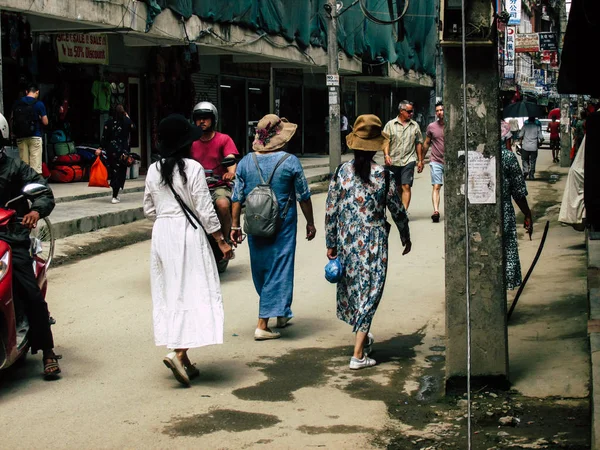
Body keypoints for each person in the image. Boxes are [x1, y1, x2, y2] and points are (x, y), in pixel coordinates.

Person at [143, 114, 233, 387]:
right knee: (195, 289)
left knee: (172, 292)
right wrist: (221, 240)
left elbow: (148, 210)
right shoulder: (193, 168)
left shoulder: (152, 170)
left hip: (162, 234)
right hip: (187, 233)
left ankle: (184, 359)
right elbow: (205, 208)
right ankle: (179, 352)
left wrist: (166, 215)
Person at [325, 114, 411, 370]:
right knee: (371, 291)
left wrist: (331, 242)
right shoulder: (383, 176)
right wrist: (405, 236)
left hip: (347, 240)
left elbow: (331, 210)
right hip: (373, 240)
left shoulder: (342, 172)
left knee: (355, 290)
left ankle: (363, 336)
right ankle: (358, 355)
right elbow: (397, 210)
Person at [230, 114, 316, 341]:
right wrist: (310, 222)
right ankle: (262, 323)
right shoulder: (290, 161)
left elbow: (237, 197)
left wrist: (234, 225)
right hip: (283, 225)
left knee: (261, 268)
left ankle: (281, 312)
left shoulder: (246, 162)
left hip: (255, 223)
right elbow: (303, 196)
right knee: (280, 269)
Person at [0, 112, 60, 379]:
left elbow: (44, 191)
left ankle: (47, 349)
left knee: (29, 292)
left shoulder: (15, 168)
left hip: (10, 237)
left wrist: (36, 210)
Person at [191, 102, 239, 240]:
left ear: (213, 119)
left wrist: (230, 172)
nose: (202, 121)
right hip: (196, 187)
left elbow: (230, 158)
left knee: (223, 205)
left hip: (219, 185)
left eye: (206, 118)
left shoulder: (224, 139)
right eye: (199, 118)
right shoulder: (190, 142)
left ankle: (227, 239)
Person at [383, 100, 424, 211]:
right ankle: (400, 208)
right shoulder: (390, 125)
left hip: (409, 160)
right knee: (397, 187)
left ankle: (404, 212)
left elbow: (418, 142)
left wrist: (420, 160)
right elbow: (385, 141)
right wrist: (386, 155)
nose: (411, 114)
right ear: (401, 111)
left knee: (406, 186)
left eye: (412, 111)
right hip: (393, 161)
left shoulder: (415, 126)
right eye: (409, 111)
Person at [501, 146, 533, 290]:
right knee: (506, 251)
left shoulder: (464, 155)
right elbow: (518, 191)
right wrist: (527, 213)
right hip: (503, 214)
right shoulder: (507, 156)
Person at [96, 105, 135, 203]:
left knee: (114, 172)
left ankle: (115, 195)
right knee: (121, 172)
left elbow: (104, 137)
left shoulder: (108, 123)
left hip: (112, 151)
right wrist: (127, 117)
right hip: (123, 151)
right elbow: (133, 128)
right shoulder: (126, 121)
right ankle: (115, 195)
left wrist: (100, 148)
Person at [11, 83, 48, 174]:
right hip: (35, 136)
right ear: (37, 92)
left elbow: (12, 118)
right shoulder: (39, 104)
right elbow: (45, 122)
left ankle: (25, 185)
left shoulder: (17, 103)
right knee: (35, 167)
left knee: (24, 165)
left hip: (21, 136)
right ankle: (35, 185)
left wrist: (12, 132)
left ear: (26, 92)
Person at [423, 102, 445, 223]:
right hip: (436, 160)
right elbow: (426, 142)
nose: (439, 112)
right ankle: (436, 211)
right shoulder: (431, 126)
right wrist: (421, 158)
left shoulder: (454, 125)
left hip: (451, 162)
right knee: (436, 186)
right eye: (437, 110)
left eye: (441, 110)